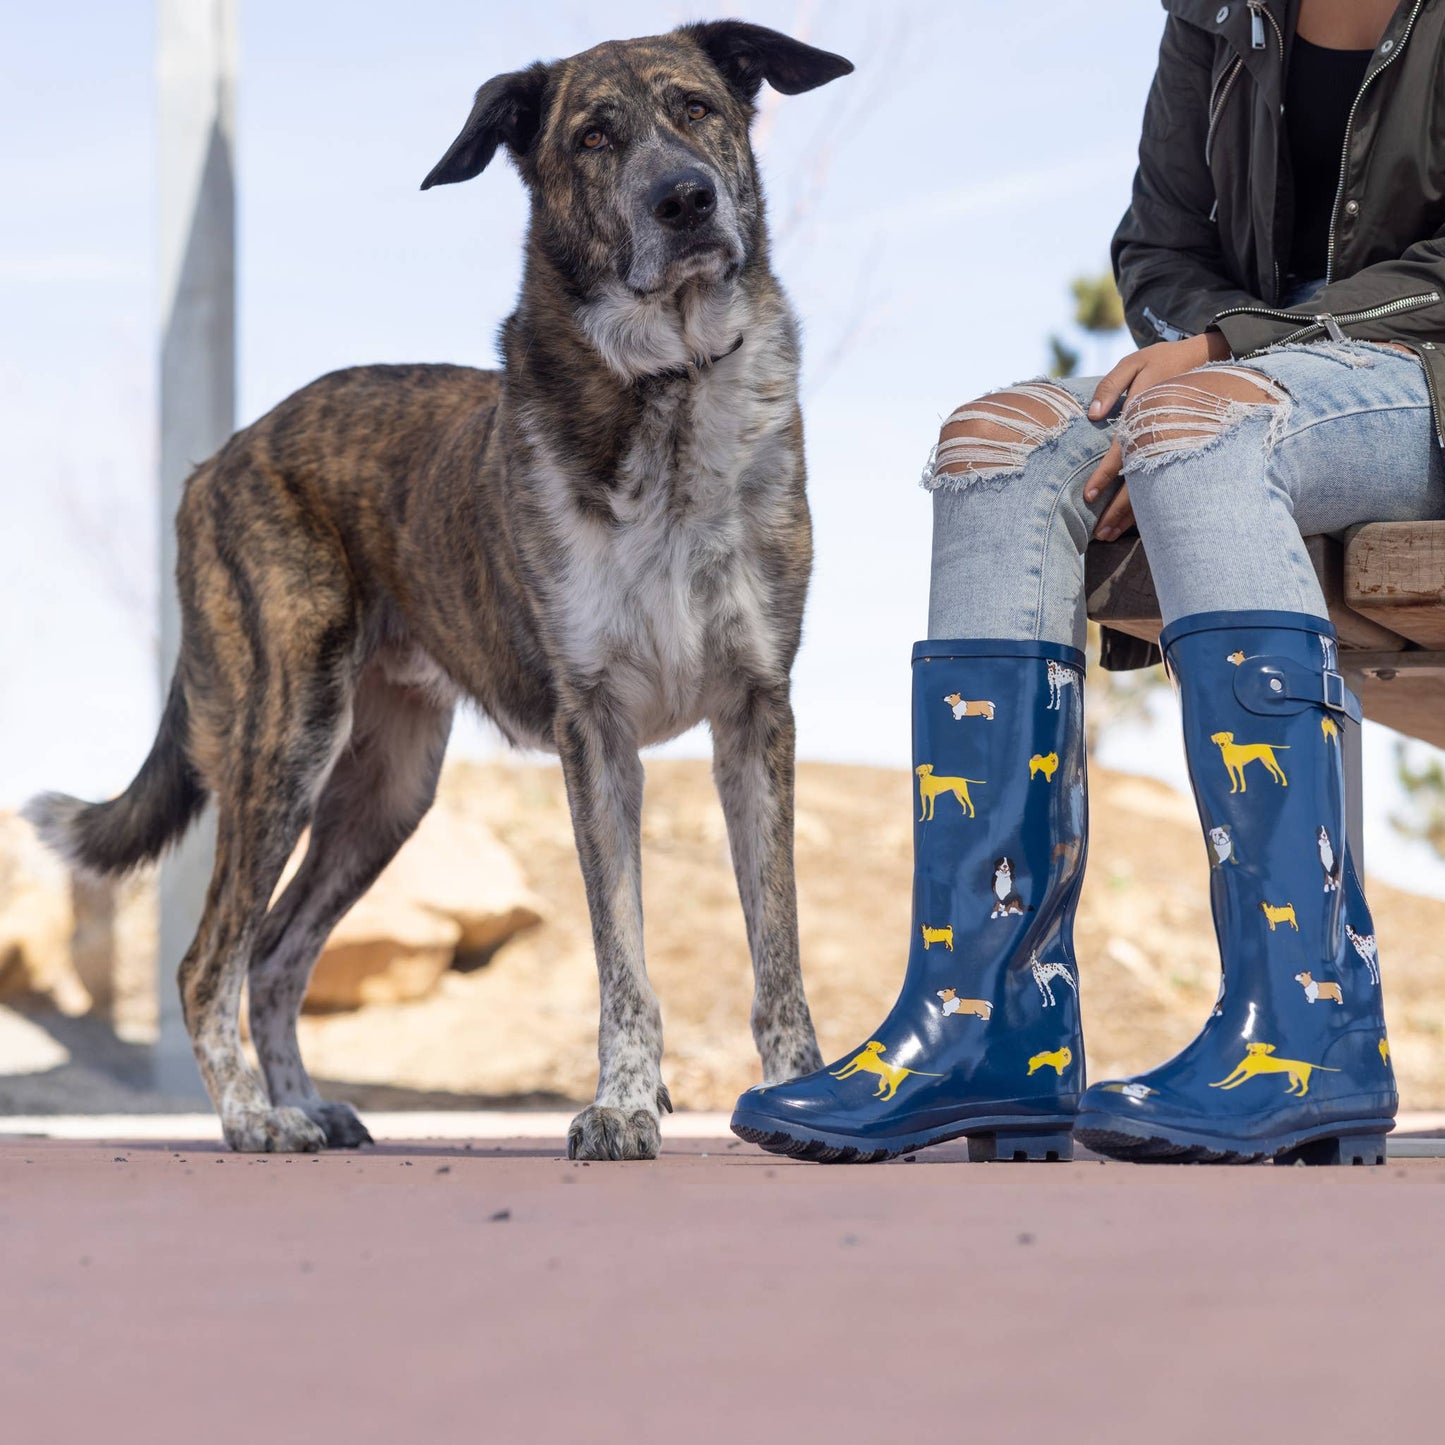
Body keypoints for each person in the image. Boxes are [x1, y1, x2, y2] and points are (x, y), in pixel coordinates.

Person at [732, 0, 1443, 1165]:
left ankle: (1307, 1027)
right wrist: (1215, 353)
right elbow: (1156, 249)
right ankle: (986, 1025)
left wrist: (1235, 350)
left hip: (1419, 386)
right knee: (992, 445)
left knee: (1200, 424)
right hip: (1242, 376)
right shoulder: (1215, 12)